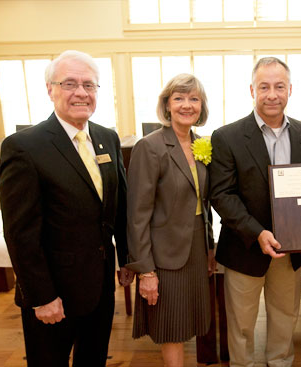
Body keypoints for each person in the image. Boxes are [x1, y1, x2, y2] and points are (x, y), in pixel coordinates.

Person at [0, 50, 133, 366]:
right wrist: (42, 296)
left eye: (89, 84)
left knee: (94, 358)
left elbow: (120, 205)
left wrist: (127, 258)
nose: (81, 93)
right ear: (50, 89)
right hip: (53, 291)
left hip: (99, 286)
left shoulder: (107, 138)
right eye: (70, 83)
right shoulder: (24, 146)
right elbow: (20, 234)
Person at [209, 57, 301, 367]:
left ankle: (280, 362)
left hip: (289, 248)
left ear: (290, 90)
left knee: (285, 317)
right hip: (245, 246)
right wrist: (257, 232)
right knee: (241, 324)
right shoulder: (227, 136)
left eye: (279, 86)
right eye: (264, 87)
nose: (272, 94)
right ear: (252, 90)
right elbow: (222, 194)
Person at [126, 73, 216, 367]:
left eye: (194, 98)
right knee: (171, 329)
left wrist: (210, 248)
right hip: (164, 255)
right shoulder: (150, 147)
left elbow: (205, 202)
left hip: (196, 249)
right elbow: (137, 215)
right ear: (167, 105)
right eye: (179, 98)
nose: (186, 105)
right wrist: (146, 271)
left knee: (190, 321)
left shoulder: (202, 145)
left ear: (201, 106)